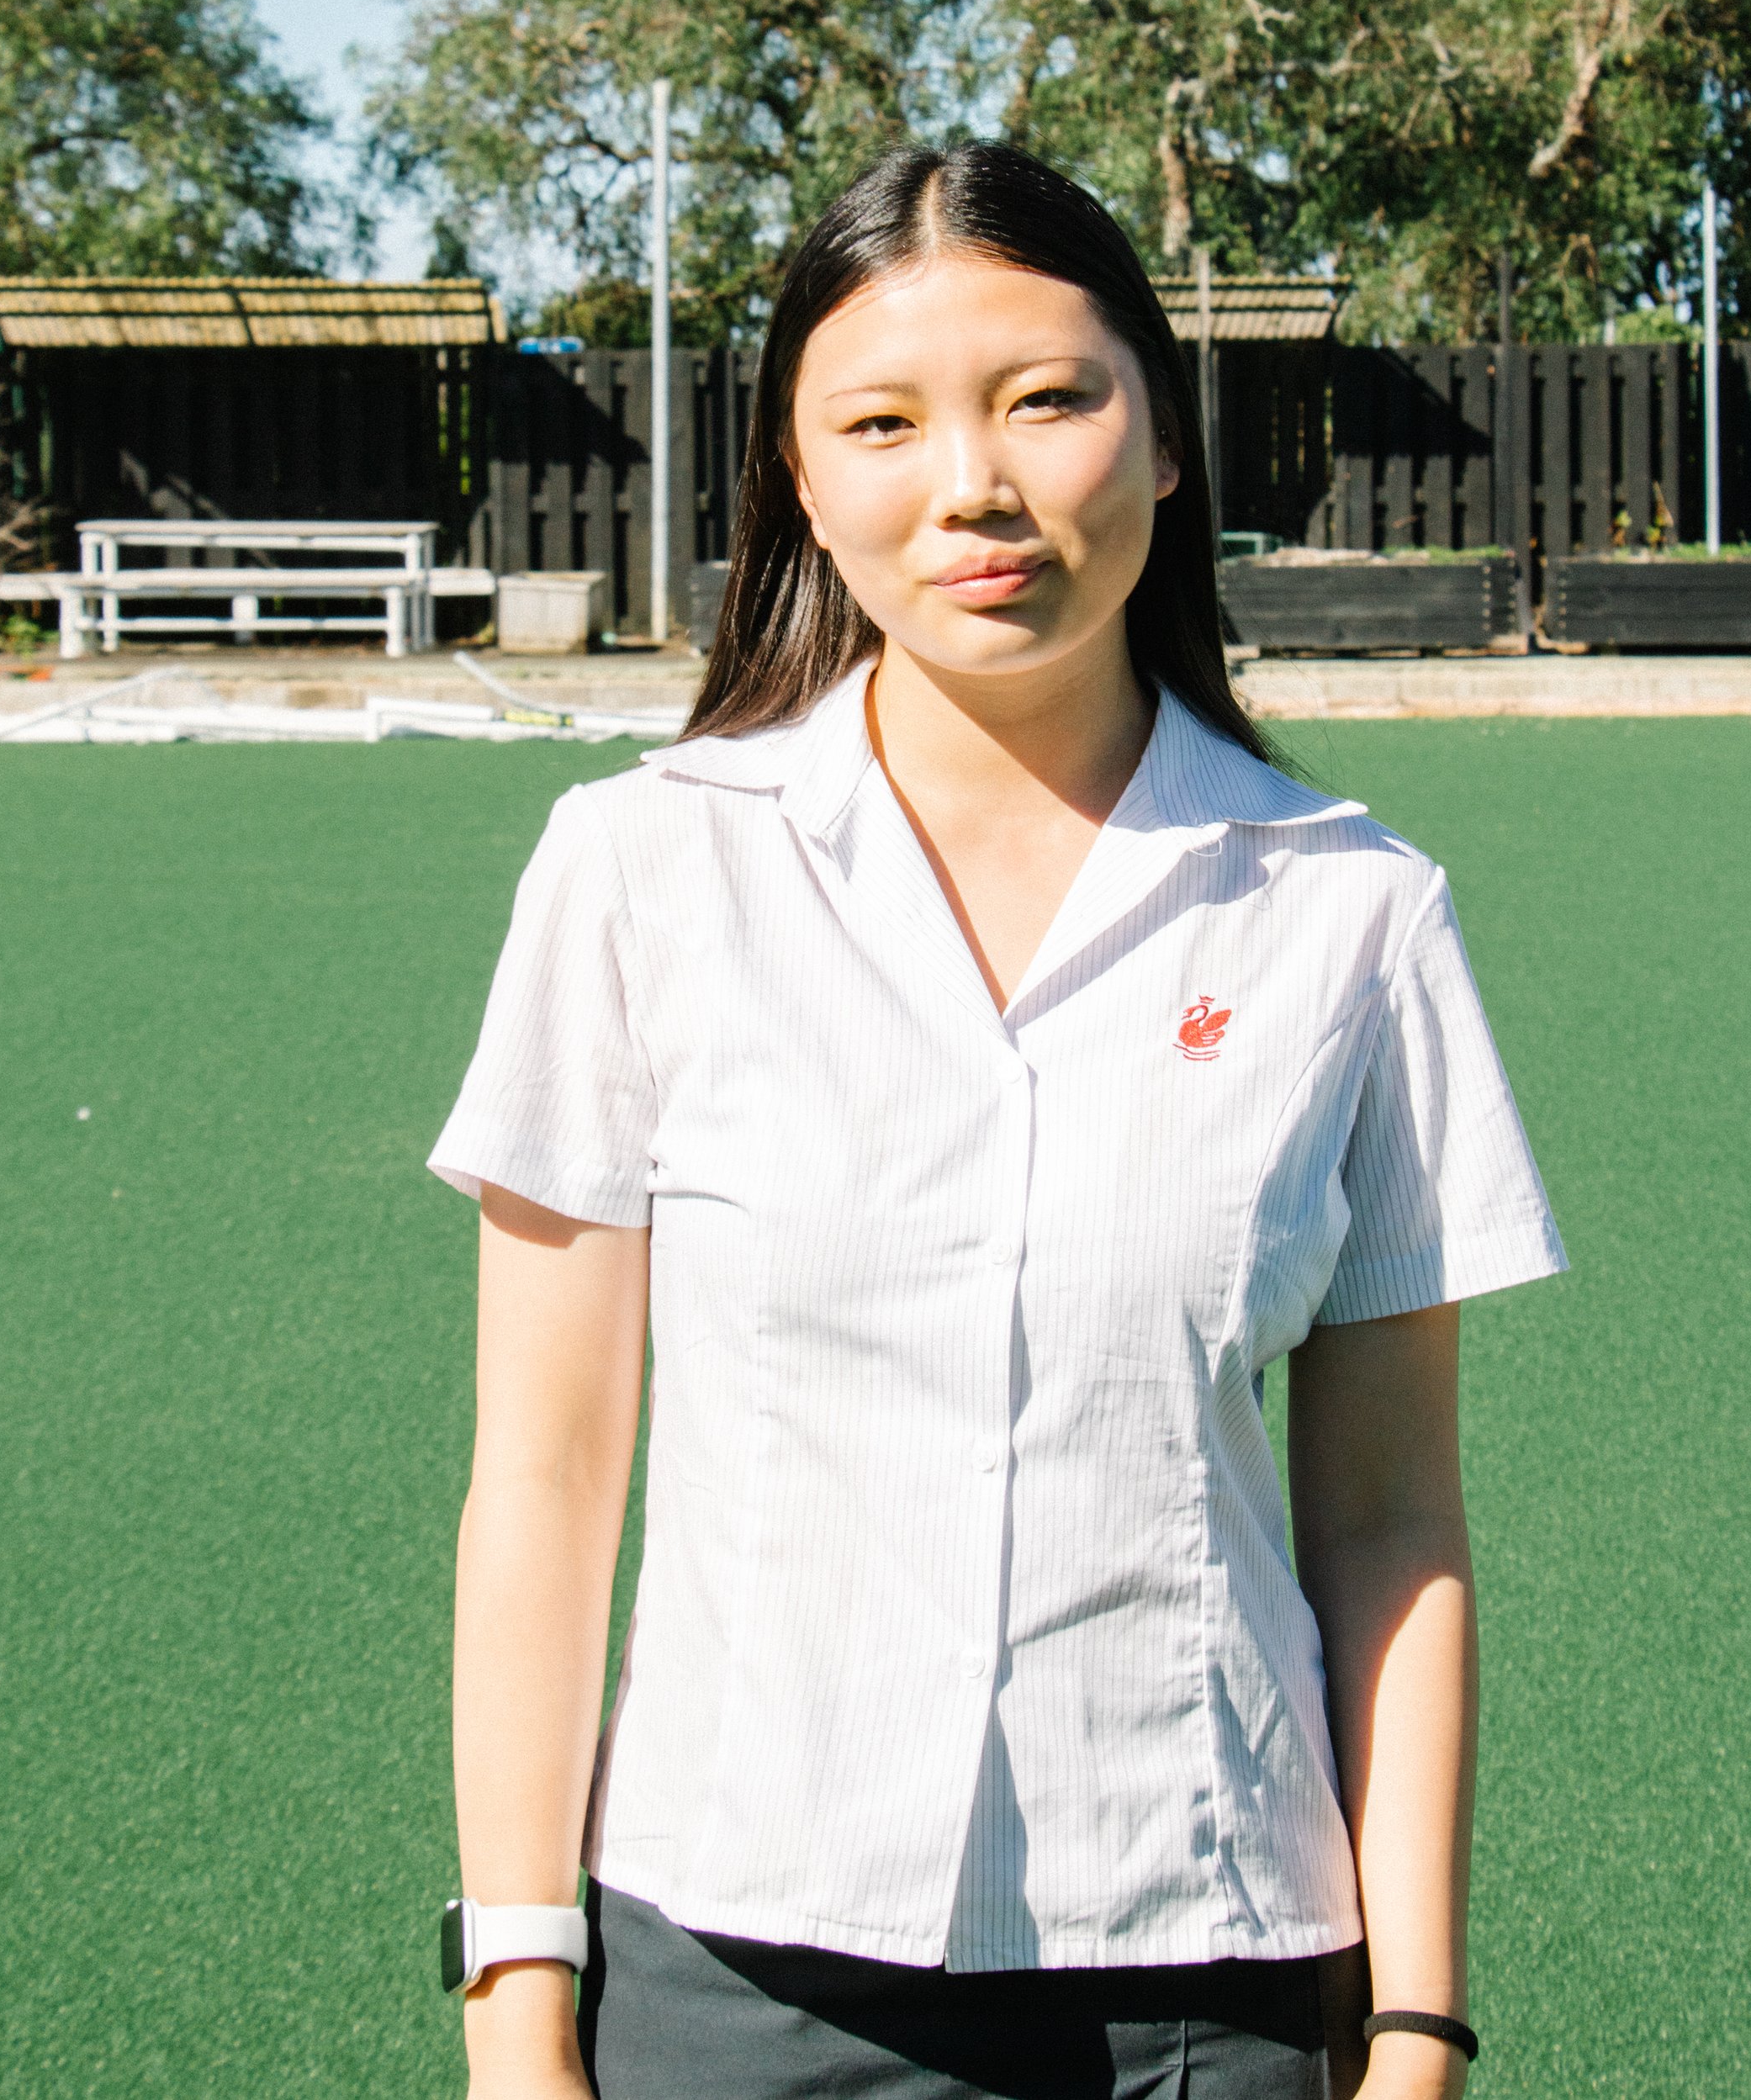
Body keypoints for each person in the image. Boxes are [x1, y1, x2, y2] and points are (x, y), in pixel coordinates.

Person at [431, 142, 1565, 2100]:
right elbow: (543, 1483)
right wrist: (519, 2010)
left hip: (1206, 1978)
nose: (972, 482)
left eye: (1047, 397)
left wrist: (1413, 2028)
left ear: (1163, 437)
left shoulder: (1349, 908)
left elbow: (1388, 1521)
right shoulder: (637, 873)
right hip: (733, 1971)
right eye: (879, 421)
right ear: (801, 480)